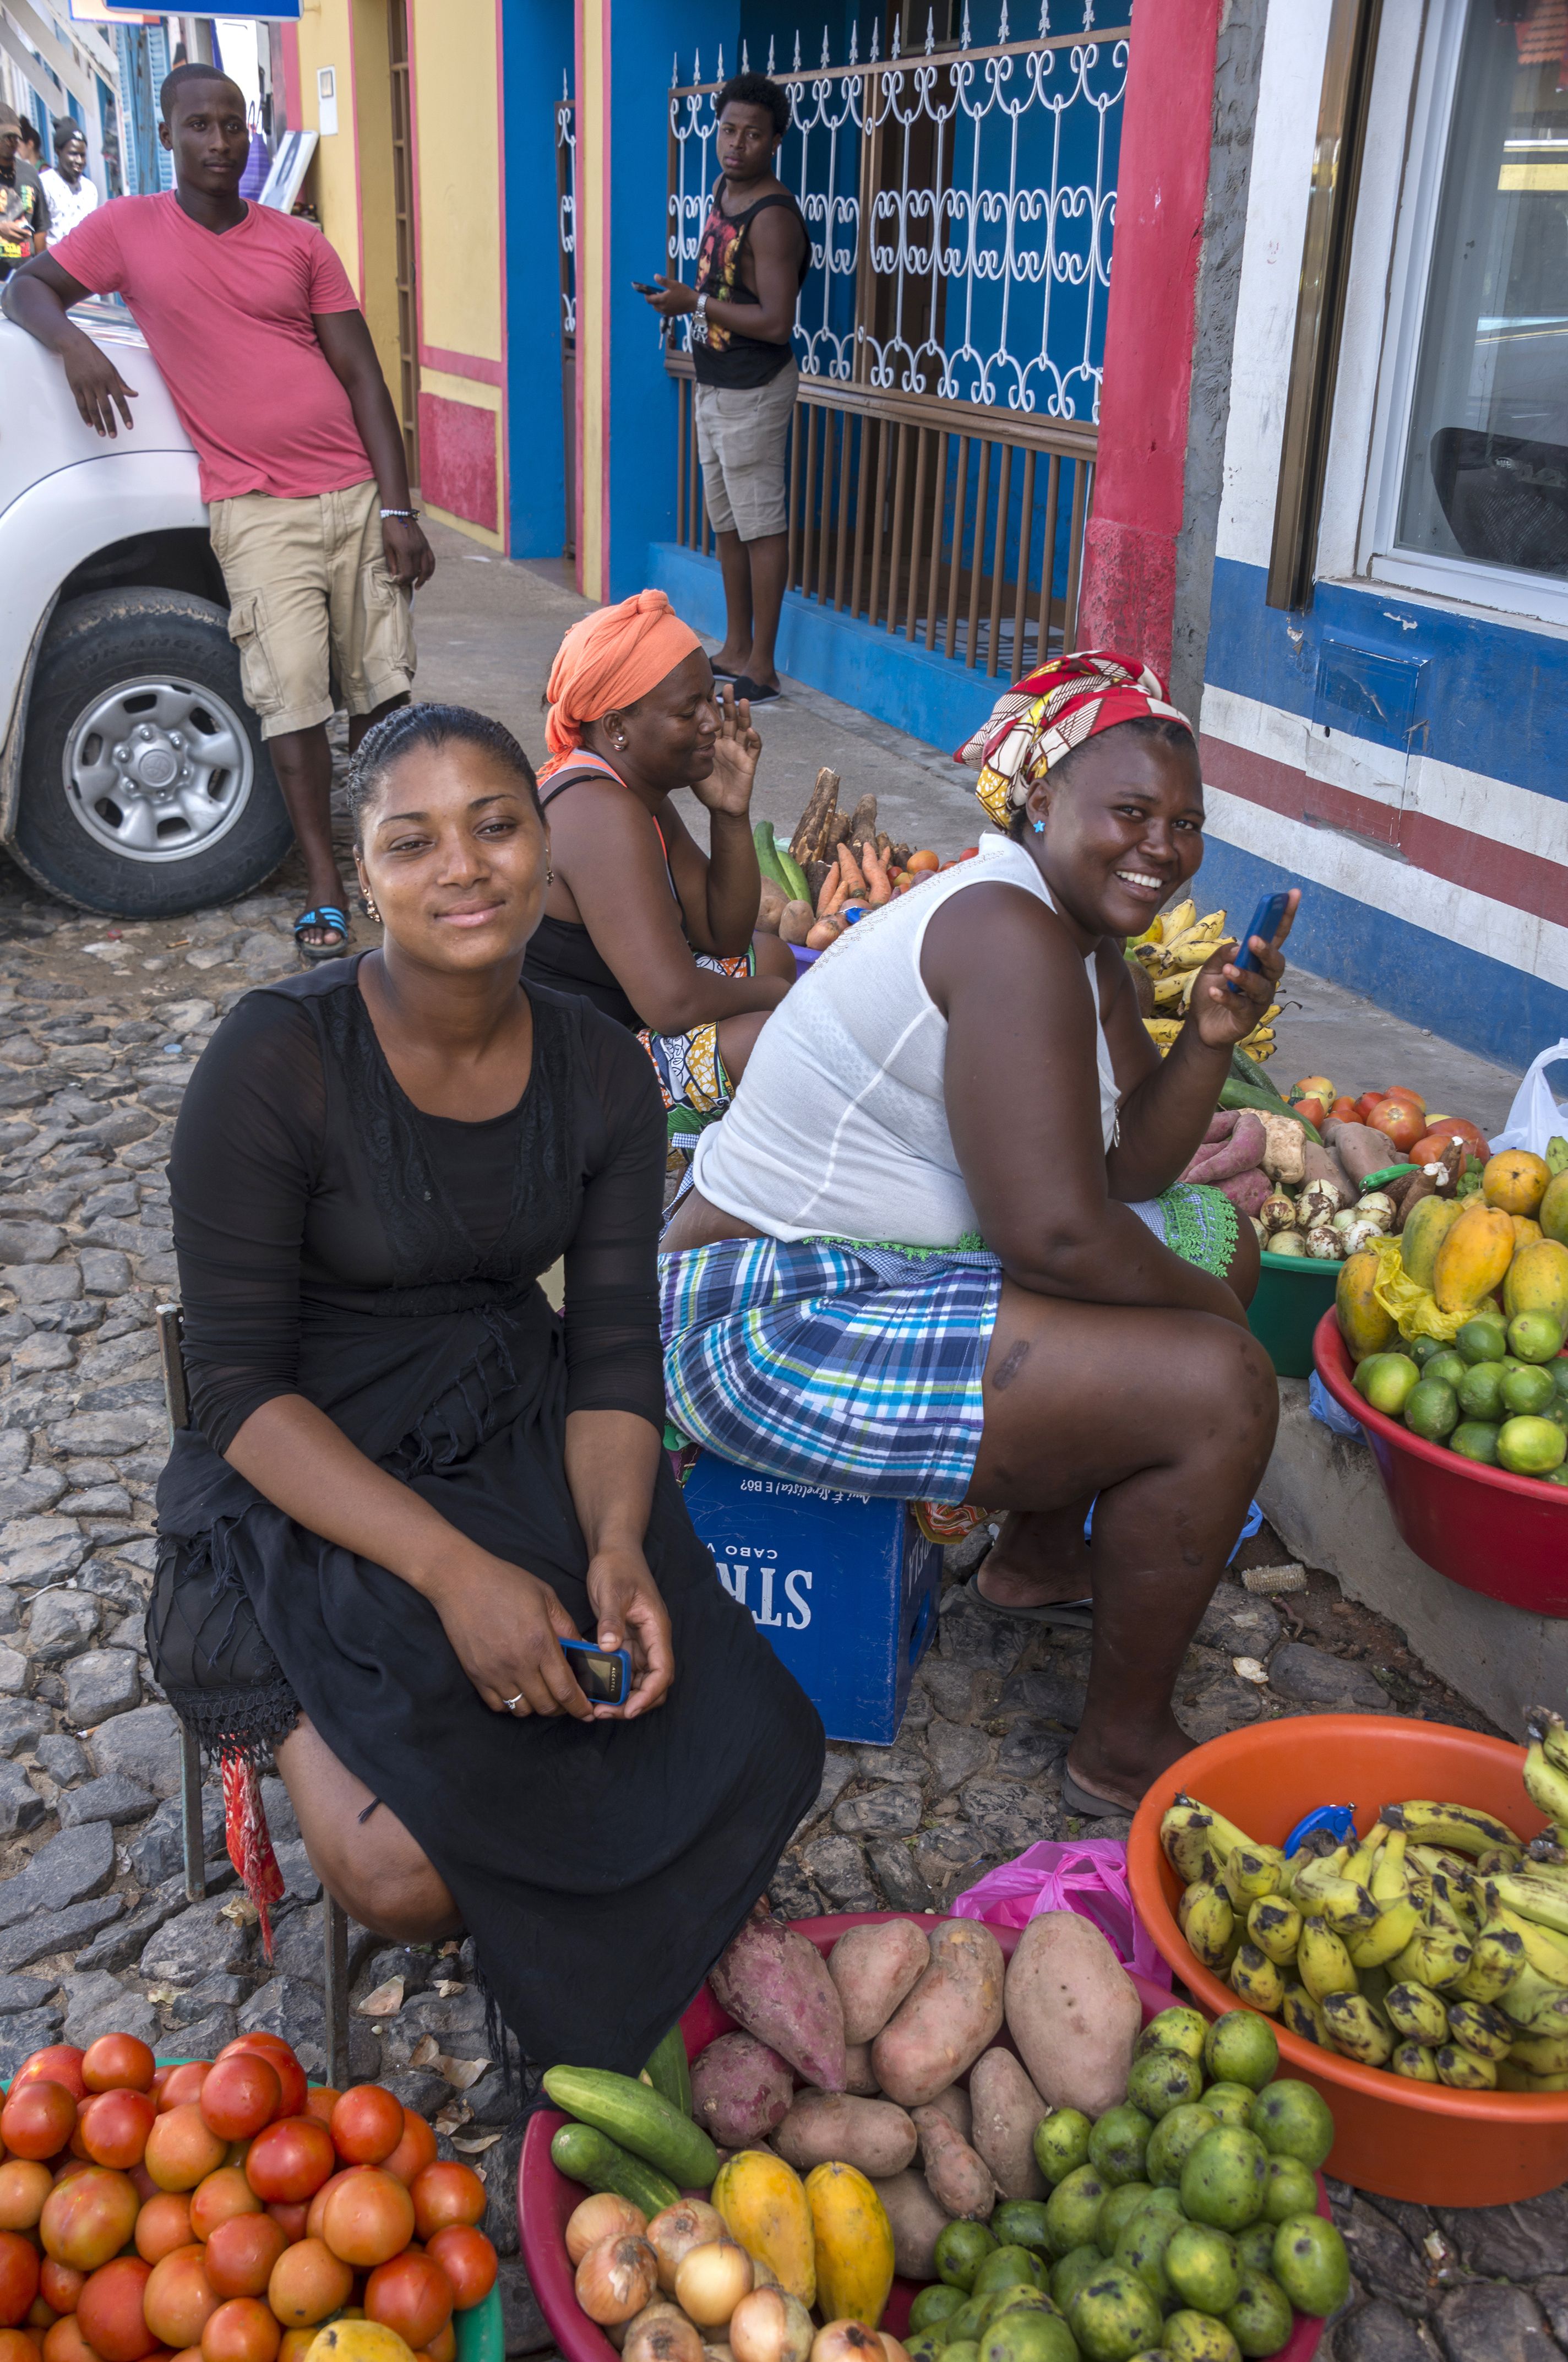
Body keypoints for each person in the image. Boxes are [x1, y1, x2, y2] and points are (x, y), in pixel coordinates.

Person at [148, 701, 823, 2072]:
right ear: (363, 871)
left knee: (741, 1731)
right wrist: (456, 1575)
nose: (462, 866)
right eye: (413, 841)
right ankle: (291, 1710)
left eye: (496, 824)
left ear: (543, 843)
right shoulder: (274, 1060)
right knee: (406, 1869)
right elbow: (231, 1384)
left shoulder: (601, 1076)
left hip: (513, 1420)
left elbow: (615, 1346)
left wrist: (619, 1541)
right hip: (308, 1463)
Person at [661, 651, 1295, 1818]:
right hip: (755, 1312)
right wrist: (1216, 1332)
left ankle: (1038, 1559)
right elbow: (1055, 1235)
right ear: (1043, 798)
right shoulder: (1004, 930)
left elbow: (1127, 1173)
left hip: (854, 1267)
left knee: (1212, 1238)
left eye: (1187, 823)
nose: (1162, 846)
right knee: (1214, 1382)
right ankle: (1120, 1747)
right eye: (1132, 812)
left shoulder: (1062, 927)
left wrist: (1206, 1036)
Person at [2, 64, 433, 960]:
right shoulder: (127, 230)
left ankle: (391, 861)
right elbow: (27, 289)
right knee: (292, 700)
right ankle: (324, 883)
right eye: (199, 126)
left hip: (353, 493)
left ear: (251, 135)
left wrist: (398, 507)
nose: (219, 143)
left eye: (233, 125)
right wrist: (77, 347)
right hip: (255, 505)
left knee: (385, 697)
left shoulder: (298, 242)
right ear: (168, 137)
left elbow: (361, 375)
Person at [522, 590, 796, 1146]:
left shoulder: (632, 788)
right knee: (765, 1035)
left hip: (617, 1021)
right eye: (686, 709)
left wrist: (729, 811)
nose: (712, 724)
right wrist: (786, 998)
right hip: (562, 1073)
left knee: (769, 952)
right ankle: (660, 1151)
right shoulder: (599, 813)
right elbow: (672, 1003)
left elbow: (723, 933)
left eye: (710, 700)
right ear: (618, 727)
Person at [639, 73, 807, 705]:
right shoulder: (722, 192)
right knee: (728, 524)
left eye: (753, 135)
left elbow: (774, 320)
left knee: (761, 525)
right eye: (729, 130)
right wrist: (678, 301)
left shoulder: (772, 218)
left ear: (775, 141)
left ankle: (761, 665)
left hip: (755, 388)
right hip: (716, 382)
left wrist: (697, 301)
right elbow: (724, 287)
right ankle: (735, 647)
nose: (737, 144)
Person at [0, 110, 48, 278]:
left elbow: (41, 227)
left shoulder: (29, 173)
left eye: (15, 137)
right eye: (6, 137)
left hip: (25, 277)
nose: (11, 142)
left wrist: (43, 274)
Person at [41, 117, 99, 244]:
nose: (79, 161)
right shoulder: (44, 185)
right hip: (53, 261)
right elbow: (38, 235)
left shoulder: (90, 190)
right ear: (58, 152)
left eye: (83, 155)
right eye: (73, 154)